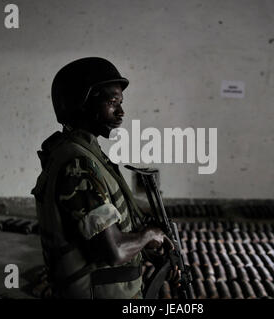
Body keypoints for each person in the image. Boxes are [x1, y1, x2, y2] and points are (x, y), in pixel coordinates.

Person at [31, 57, 177, 299]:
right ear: (82, 103)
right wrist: (149, 235)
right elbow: (115, 250)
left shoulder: (81, 153)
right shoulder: (77, 164)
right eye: (112, 102)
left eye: (120, 102)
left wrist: (144, 246)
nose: (121, 111)